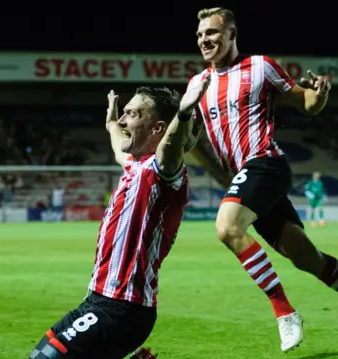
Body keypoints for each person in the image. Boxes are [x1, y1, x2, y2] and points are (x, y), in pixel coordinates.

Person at [189, 7, 338, 352]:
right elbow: (196, 139)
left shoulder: (260, 66)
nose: (204, 40)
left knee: (228, 228)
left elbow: (304, 100)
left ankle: (284, 313)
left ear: (231, 33)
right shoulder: (199, 84)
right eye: (199, 35)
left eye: (211, 33)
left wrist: (318, 95)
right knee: (307, 258)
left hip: (266, 163)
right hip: (245, 177)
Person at [28, 81, 209, 359]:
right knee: (39, 353)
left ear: (158, 128)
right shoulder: (134, 164)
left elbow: (171, 147)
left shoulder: (163, 172)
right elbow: (117, 145)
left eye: (133, 114)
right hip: (98, 300)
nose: (124, 120)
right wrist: (112, 123)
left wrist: (184, 115)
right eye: (124, 112)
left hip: (123, 308)